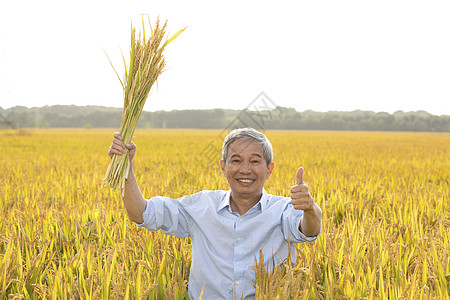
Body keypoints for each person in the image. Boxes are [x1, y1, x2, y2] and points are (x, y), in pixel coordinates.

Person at [108, 127, 322, 299]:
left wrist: (310, 208)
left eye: (255, 161)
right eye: (236, 160)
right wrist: (125, 165)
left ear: (269, 169)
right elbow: (142, 213)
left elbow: (308, 229)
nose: (245, 170)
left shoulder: (283, 209)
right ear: (223, 166)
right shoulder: (201, 206)